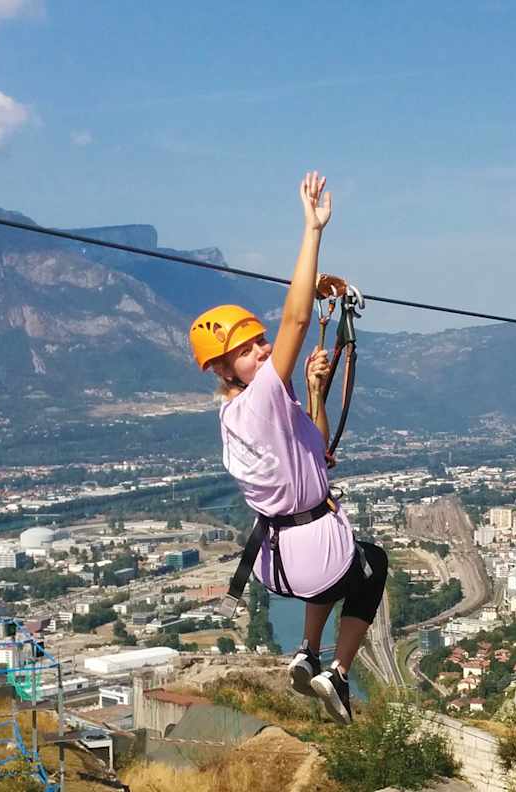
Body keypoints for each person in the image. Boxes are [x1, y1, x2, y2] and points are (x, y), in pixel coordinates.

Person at [195, 171, 387, 725]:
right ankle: (339, 674)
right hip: (308, 550)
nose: (261, 349)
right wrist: (312, 230)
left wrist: (314, 393)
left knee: (339, 568)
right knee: (371, 563)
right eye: (248, 349)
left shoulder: (249, 414)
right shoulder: (254, 404)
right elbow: (298, 319)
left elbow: (318, 451)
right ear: (223, 368)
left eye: (259, 342)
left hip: (280, 557)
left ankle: (306, 652)